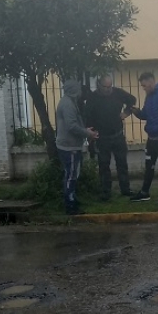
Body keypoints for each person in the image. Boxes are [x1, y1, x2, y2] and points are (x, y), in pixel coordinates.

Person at [84, 74, 136, 200]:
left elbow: (132, 100)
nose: (108, 89)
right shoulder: (93, 98)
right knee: (104, 165)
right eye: (105, 87)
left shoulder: (118, 93)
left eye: (110, 86)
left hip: (117, 134)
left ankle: (125, 189)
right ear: (99, 85)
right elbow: (87, 116)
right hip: (102, 137)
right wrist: (91, 135)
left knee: (122, 163)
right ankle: (106, 192)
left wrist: (127, 112)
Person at [127, 72, 158, 206]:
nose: (143, 88)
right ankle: (144, 192)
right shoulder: (149, 97)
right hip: (152, 138)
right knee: (149, 165)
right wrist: (137, 112)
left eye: (144, 85)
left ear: (151, 82)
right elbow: (146, 115)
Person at [55, 79, 98, 215]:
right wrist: (87, 133)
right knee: (71, 175)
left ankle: (72, 199)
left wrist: (85, 130)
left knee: (73, 174)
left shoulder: (69, 102)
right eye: (78, 89)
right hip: (69, 146)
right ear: (74, 90)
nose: (80, 92)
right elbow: (71, 126)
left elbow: (74, 123)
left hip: (71, 144)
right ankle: (70, 205)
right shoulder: (68, 104)